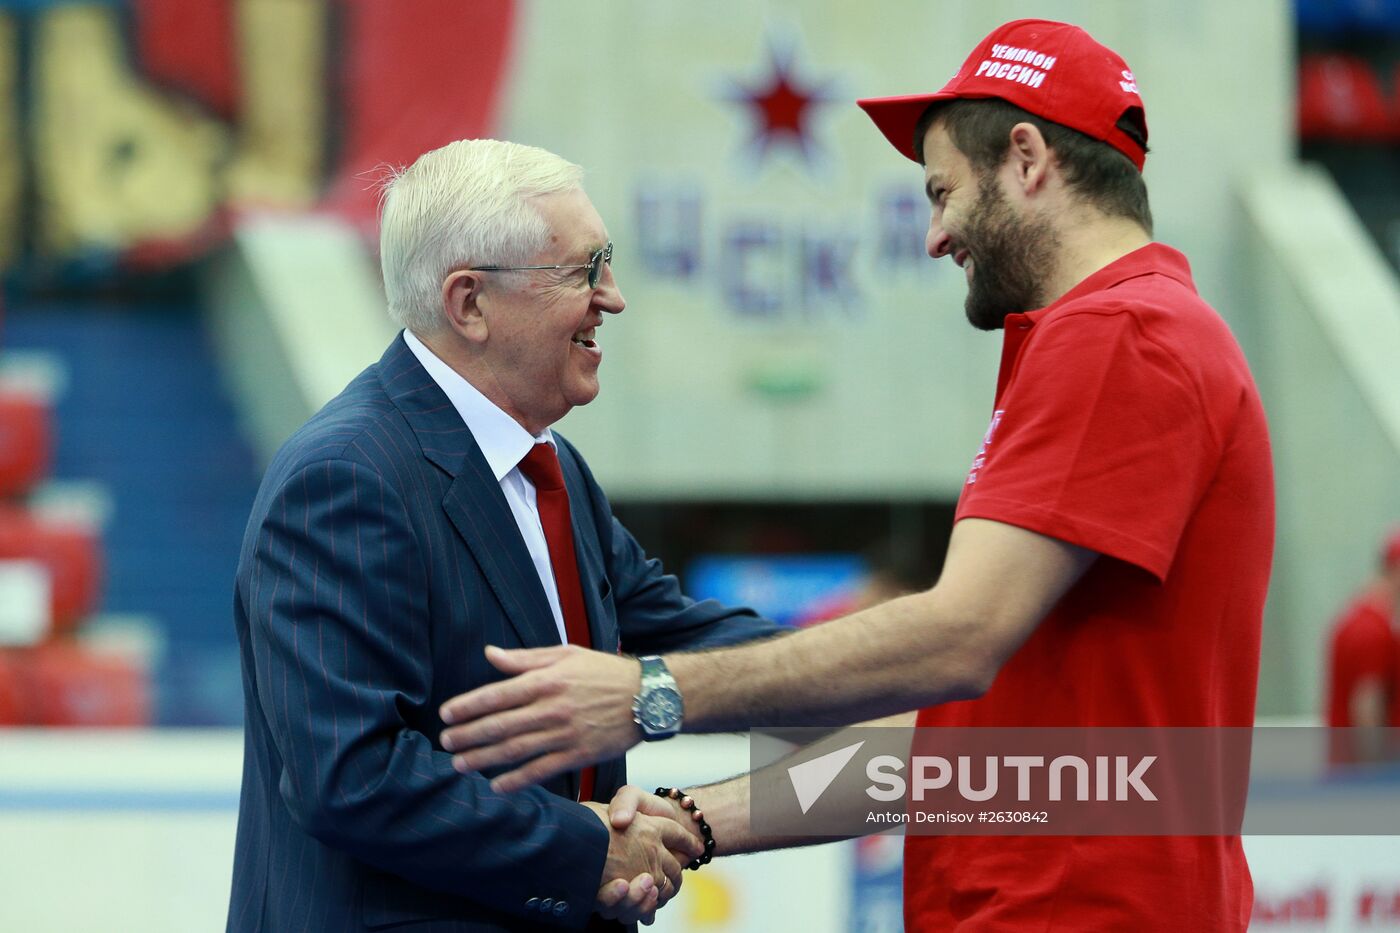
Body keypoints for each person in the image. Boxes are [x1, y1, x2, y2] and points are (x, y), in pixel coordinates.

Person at [438, 19, 1275, 931]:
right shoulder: (1135, 334)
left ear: (1027, 159)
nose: (934, 234)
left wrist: (646, 695)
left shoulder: (1118, 335)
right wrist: (692, 821)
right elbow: (959, 740)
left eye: (942, 191)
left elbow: (958, 637)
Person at [227, 139, 781, 932]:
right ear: (470, 304)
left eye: (608, 262)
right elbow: (352, 775)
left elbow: (691, 639)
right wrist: (587, 846)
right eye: (583, 270)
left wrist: (910, 672)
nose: (614, 298)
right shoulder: (345, 476)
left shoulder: (551, 469)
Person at [1325, 528, 1400, 760]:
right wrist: (1375, 780)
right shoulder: (1371, 631)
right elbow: (1367, 710)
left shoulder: (1360, 619)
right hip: (1362, 777)